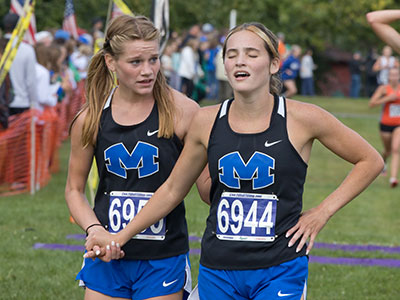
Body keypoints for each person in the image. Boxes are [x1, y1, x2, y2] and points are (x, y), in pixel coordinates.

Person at [85, 22, 383, 300]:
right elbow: (174, 190)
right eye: (232, 54)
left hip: (280, 267)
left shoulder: (304, 118)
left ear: (274, 64)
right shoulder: (205, 121)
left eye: (251, 54)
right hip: (218, 268)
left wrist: (322, 212)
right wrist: (119, 237)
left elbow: (370, 160)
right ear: (224, 65)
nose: (240, 61)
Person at [65, 15, 204, 300]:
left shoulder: (183, 111)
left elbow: (203, 184)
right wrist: (95, 230)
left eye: (154, 59)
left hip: (162, 257)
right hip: (105, 254)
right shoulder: (91, 118)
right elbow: (74, 190)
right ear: (110, 62)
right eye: (135, 62)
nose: (148, 71)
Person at [369, 67, 400, 187]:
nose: (394, 77)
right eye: (392, 75)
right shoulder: (383, 89)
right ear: (388, 77)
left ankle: (393, 178)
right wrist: (387, 98)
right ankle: (384, 162)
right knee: (388, 150)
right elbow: (371, 103)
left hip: (398, 124)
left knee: (396, 149)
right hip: (385, 125)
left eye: (396, 75)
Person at [2, 13, 38, 116]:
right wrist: (33, 103)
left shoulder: (26, 49)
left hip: (11, 102)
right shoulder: (26, 49)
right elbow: (31, 80)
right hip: (20, 103)